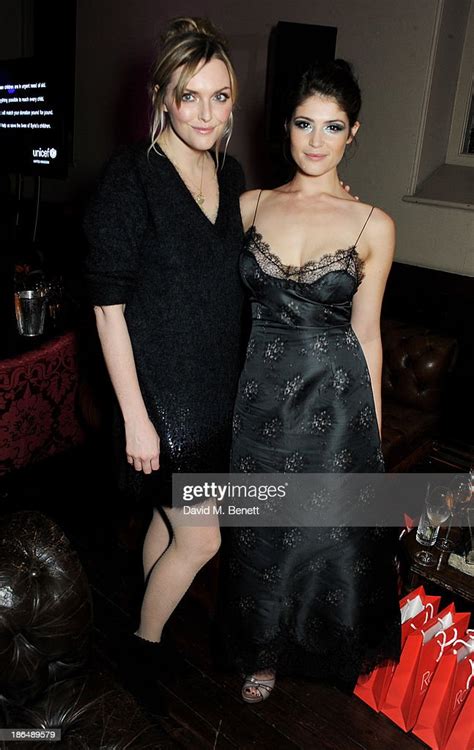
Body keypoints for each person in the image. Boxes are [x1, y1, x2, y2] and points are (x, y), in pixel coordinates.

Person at [217, 59, 401, 702]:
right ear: (285, 127)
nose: (316, 140)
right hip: (259, 396)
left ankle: (325, 645)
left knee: (327, 535)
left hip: (336, 397)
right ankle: (262, 653)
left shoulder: (373, 224)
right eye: (304, 123)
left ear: (354, 133)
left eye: (333, 126)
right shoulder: (248, 206)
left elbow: (369, 337)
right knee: (261, 530)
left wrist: (373, 440)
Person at [83, 17, 245, 714]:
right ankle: (142, 648)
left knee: (171, 521)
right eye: (190, 97)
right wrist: (136, 418)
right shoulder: (132, 177)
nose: (206, 113)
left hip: (216, 390)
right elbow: (107, 308)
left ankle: (139, 618)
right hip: (162, 398)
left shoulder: (231, 172)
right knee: (203, 538)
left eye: (220, 96)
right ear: (162, 98)